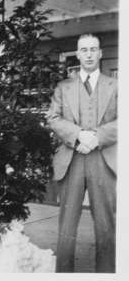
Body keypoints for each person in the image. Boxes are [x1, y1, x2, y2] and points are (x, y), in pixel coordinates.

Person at [47, 33, 117, 273]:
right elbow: (53, 118)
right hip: (71, 158)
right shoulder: (63, 87)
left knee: (106, 226)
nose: (88, 54)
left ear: (100, 53)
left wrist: (96, 137)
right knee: (67, 226)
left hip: (103, 160)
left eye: (93, 49)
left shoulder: (117, 85)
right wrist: (78, 134)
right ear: (77, 55)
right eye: (84, 50)